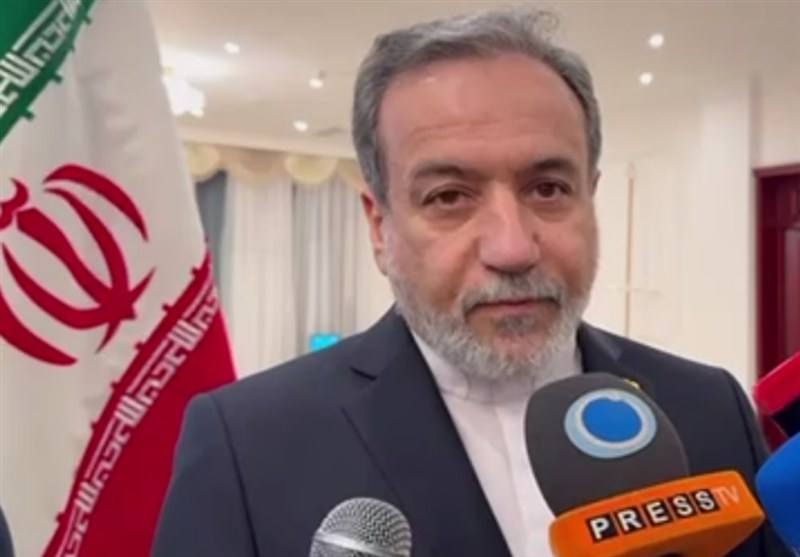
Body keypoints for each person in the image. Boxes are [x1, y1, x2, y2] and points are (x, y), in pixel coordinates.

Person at [152, 7, 789, 557]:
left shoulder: (708, 407)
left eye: (548, 188)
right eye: (449, 196)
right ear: (380, 227)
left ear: (589, 200)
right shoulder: (248, 443)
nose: (512, 248)